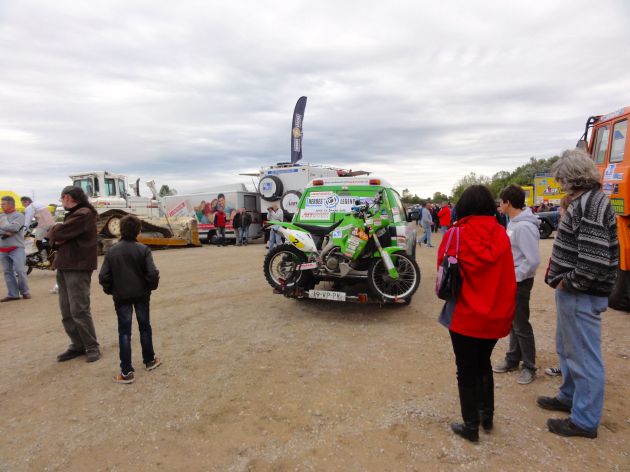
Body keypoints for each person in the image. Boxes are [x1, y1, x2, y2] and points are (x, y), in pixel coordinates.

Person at [539, 149, 618, 439]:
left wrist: (568, 282)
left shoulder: (590, 204)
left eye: (562, 178)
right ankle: (569, 396)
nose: (560, 184)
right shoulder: (588, 201)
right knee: (569, 349)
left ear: (572, 177)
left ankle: (584, 420)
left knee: (584, 357)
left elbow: (593, 260)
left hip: (580, 294)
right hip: (576, 294)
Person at [437, 185, 516, 442]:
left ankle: (470, 426)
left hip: (464, 314)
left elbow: (442, 269)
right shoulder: (502, 233)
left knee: (465, 369)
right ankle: (486, 416)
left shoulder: (455, 234)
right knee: (483, 363)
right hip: (495, 314)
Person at [98, 215, 161, 384]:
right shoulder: (143, 249)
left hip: (121, 296)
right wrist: (150, 287)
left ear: (120, 230)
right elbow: (152, 273)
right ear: (138, 231)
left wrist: (110, 290)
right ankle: (149, 360)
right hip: (142, 294)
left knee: (124, 332)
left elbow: (103, 276)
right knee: (145, 327)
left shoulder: (112, 251)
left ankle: (126, 371)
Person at [493, 185, 541, 385]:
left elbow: (532, 260)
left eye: (501, 202)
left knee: (521, 324)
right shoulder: (513, 223)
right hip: (512, 279)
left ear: (508, 203)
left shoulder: (524, 227)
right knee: (513, 322)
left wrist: (514, 277)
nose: (499, 205)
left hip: (519, 281)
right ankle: (513, 358)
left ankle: (529, 366)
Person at [48, 186, 101, 363]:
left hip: (78, 266)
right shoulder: (75, 214)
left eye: (61, 198)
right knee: (66, 310)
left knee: (79, 309)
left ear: (67, 197)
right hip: (65, 264)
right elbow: (58, 237)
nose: (61, 202)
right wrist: (58, 235)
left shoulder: (84, 214)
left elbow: (58, 233)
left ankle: (91, 346)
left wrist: (56, 231)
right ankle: (78, 345)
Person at [0, 196, 31, 302]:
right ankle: (13, 294)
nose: (1, 205)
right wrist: (6, 231)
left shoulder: (19, 215)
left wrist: (4, 227)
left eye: (3, 204)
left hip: (17, 247)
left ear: (11, 204)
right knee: (7, 272)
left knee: (20, 270)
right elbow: (11, 228)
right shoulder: (1, 216)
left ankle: (25, 292)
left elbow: (14, 228)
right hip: (2, 248)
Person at [21, 197, 56, 264]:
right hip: (51, 224)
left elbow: (27, 222)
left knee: (37, 241)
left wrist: (23, 233)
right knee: (47, 240)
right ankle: (51, 255)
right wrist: (35, 224)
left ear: (27, 202)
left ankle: (45, 260)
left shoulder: (30, 207)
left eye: (23, 203)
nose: (23, 205)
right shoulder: (38, 204)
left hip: (44, 225)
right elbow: (42, 216)